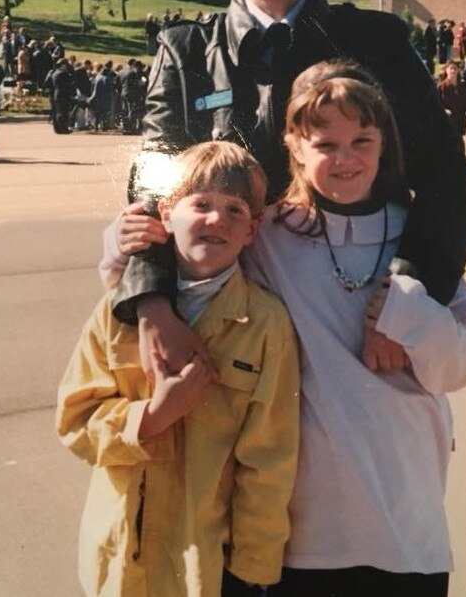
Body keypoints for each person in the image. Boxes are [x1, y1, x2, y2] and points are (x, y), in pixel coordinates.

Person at [103, 63, 466, 597]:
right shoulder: (267, 233)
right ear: (295, 147)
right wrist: (125, 251)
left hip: (405, 518)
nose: (345, 158)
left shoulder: (417, 239)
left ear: (382, 143)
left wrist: (408, 312)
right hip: (299, 532)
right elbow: (195, 265)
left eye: (361, 141)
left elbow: (460, 365)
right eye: (325, 143)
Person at [111, 0, 466, 377]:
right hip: (219, 325)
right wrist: (150, 302)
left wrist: (408, 295)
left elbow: (445, 174)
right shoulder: (187, 53)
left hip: (352, 322)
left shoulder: (378, 45)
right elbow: (152, 180)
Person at [57, 141, 300, 597]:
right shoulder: (116, 313)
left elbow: (270, 459)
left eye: (235, 209)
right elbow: (75, 420)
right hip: (123, 562)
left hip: (205, 566)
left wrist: (254, 568)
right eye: (201, 204)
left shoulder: (266, 326)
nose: (216, 219)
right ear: (166, 215)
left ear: (253, 230)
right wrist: (153, 416)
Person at [437, 60, 466, 135]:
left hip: (460, 121)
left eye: (455, 68)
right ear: (446, 70)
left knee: (459, 144)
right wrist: (443, 110)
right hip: (447, 121)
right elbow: (435, 103)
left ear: (458, 70)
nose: (453, 71)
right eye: (451, 68)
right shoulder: (441, 87)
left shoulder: (463, 86)